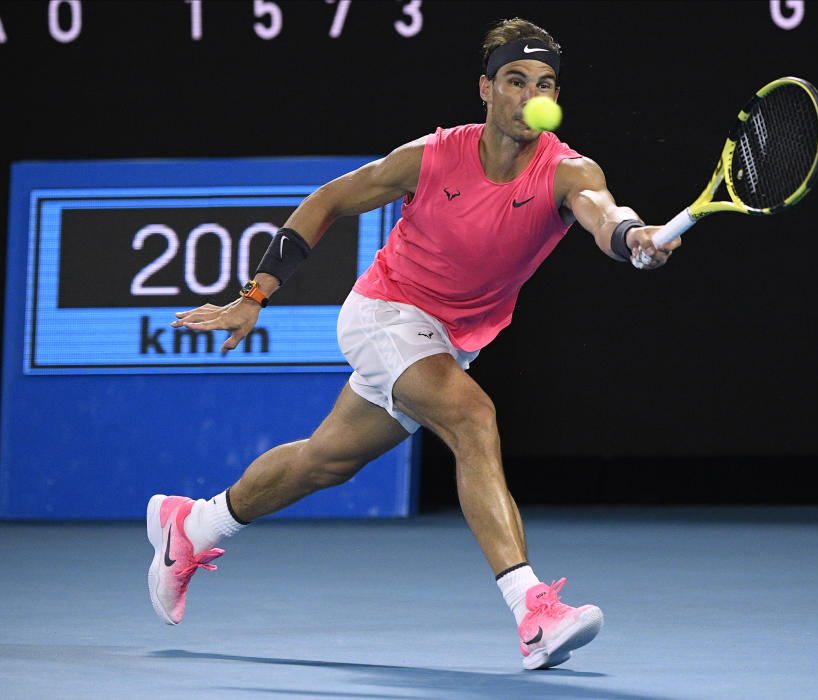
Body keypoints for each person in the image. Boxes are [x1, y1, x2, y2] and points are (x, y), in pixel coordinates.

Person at [146, 17, 679, 671]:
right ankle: (532, 610)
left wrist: (632, 239)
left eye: (543, 84)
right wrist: (253, 296)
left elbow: (604, 211)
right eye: (515, 80)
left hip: (450, 341)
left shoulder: (568, 171)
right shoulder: (430, 157)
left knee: (325, 461)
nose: (528, 96)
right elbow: (327, 201)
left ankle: (192, 526)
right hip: (386, 313)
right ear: (485, 89)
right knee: (472, 417)